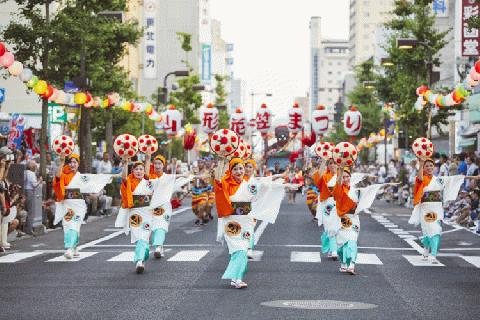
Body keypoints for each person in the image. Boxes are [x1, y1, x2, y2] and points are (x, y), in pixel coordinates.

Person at [53, 153, 111, 259]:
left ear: (78, 164)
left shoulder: (82, 178)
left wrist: (98, 193)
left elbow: (90, 193)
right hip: (67, 205)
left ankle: (69, 248)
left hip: (78, 206)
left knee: (74, 225)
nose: (72, 164)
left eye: (74, 162)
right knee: (68, 227)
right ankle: (74, 246)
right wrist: (61, 162)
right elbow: (57, 178)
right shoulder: (64, 175)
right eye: (70, 162)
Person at [409, 158, 466, 263]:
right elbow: (420, 178)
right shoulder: (421, 178)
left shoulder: (439, 179)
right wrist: (421, 163)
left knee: (435, 229)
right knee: (428, 230)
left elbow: (454, 179)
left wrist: (474, 177)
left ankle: (433, 254)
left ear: (434, 167)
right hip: (426, 208)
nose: (429, 167)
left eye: (431, 165)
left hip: (437, 208)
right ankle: (426, 248)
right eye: (427, 166)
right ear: (424, 168)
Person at [333, 166, 386, 275]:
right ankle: (343, 263)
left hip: (354, 219)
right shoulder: (338, 189)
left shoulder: (356, 190)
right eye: (343, 177)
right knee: (341, 245)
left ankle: (351, 264)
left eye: (347, 176)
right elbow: (337, 187)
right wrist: (341, 168)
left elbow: (366, 195)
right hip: (342, 219)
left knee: (352, 241)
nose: (346, 179)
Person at [148, 154, 190, 259]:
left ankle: (158, 247)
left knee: (161, 226)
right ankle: (160, 247)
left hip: (164, 207)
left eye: (159, 163)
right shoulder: (149, 177)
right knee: (154, 227)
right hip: (152, 207)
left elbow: (177, 177)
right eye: (155, 163)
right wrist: (148, 157)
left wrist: (185, 175)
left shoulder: (167, 177)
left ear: (163, 165)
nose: (157, 165)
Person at [312, 158, 339, 260]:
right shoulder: (324, 176)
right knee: (330, 226)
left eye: (334, 163)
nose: (332, 165)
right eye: (330, 163)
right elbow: (317, 178)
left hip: (339, 203)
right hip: (327, 203)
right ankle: (334, 250)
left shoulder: (342, 176)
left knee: (338, 227)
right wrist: (323, 161)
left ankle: (331, 247)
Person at [24, 160, 43, 234]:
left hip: (24, 191)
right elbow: (34, 185)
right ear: (31, 166)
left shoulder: (25, 172)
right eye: (34, 165)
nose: (36, 166)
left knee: (26, 209)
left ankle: (25, 228)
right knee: (30, 211)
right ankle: (29, 229)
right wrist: (39, 181)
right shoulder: (31, 173)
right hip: (30, 191)